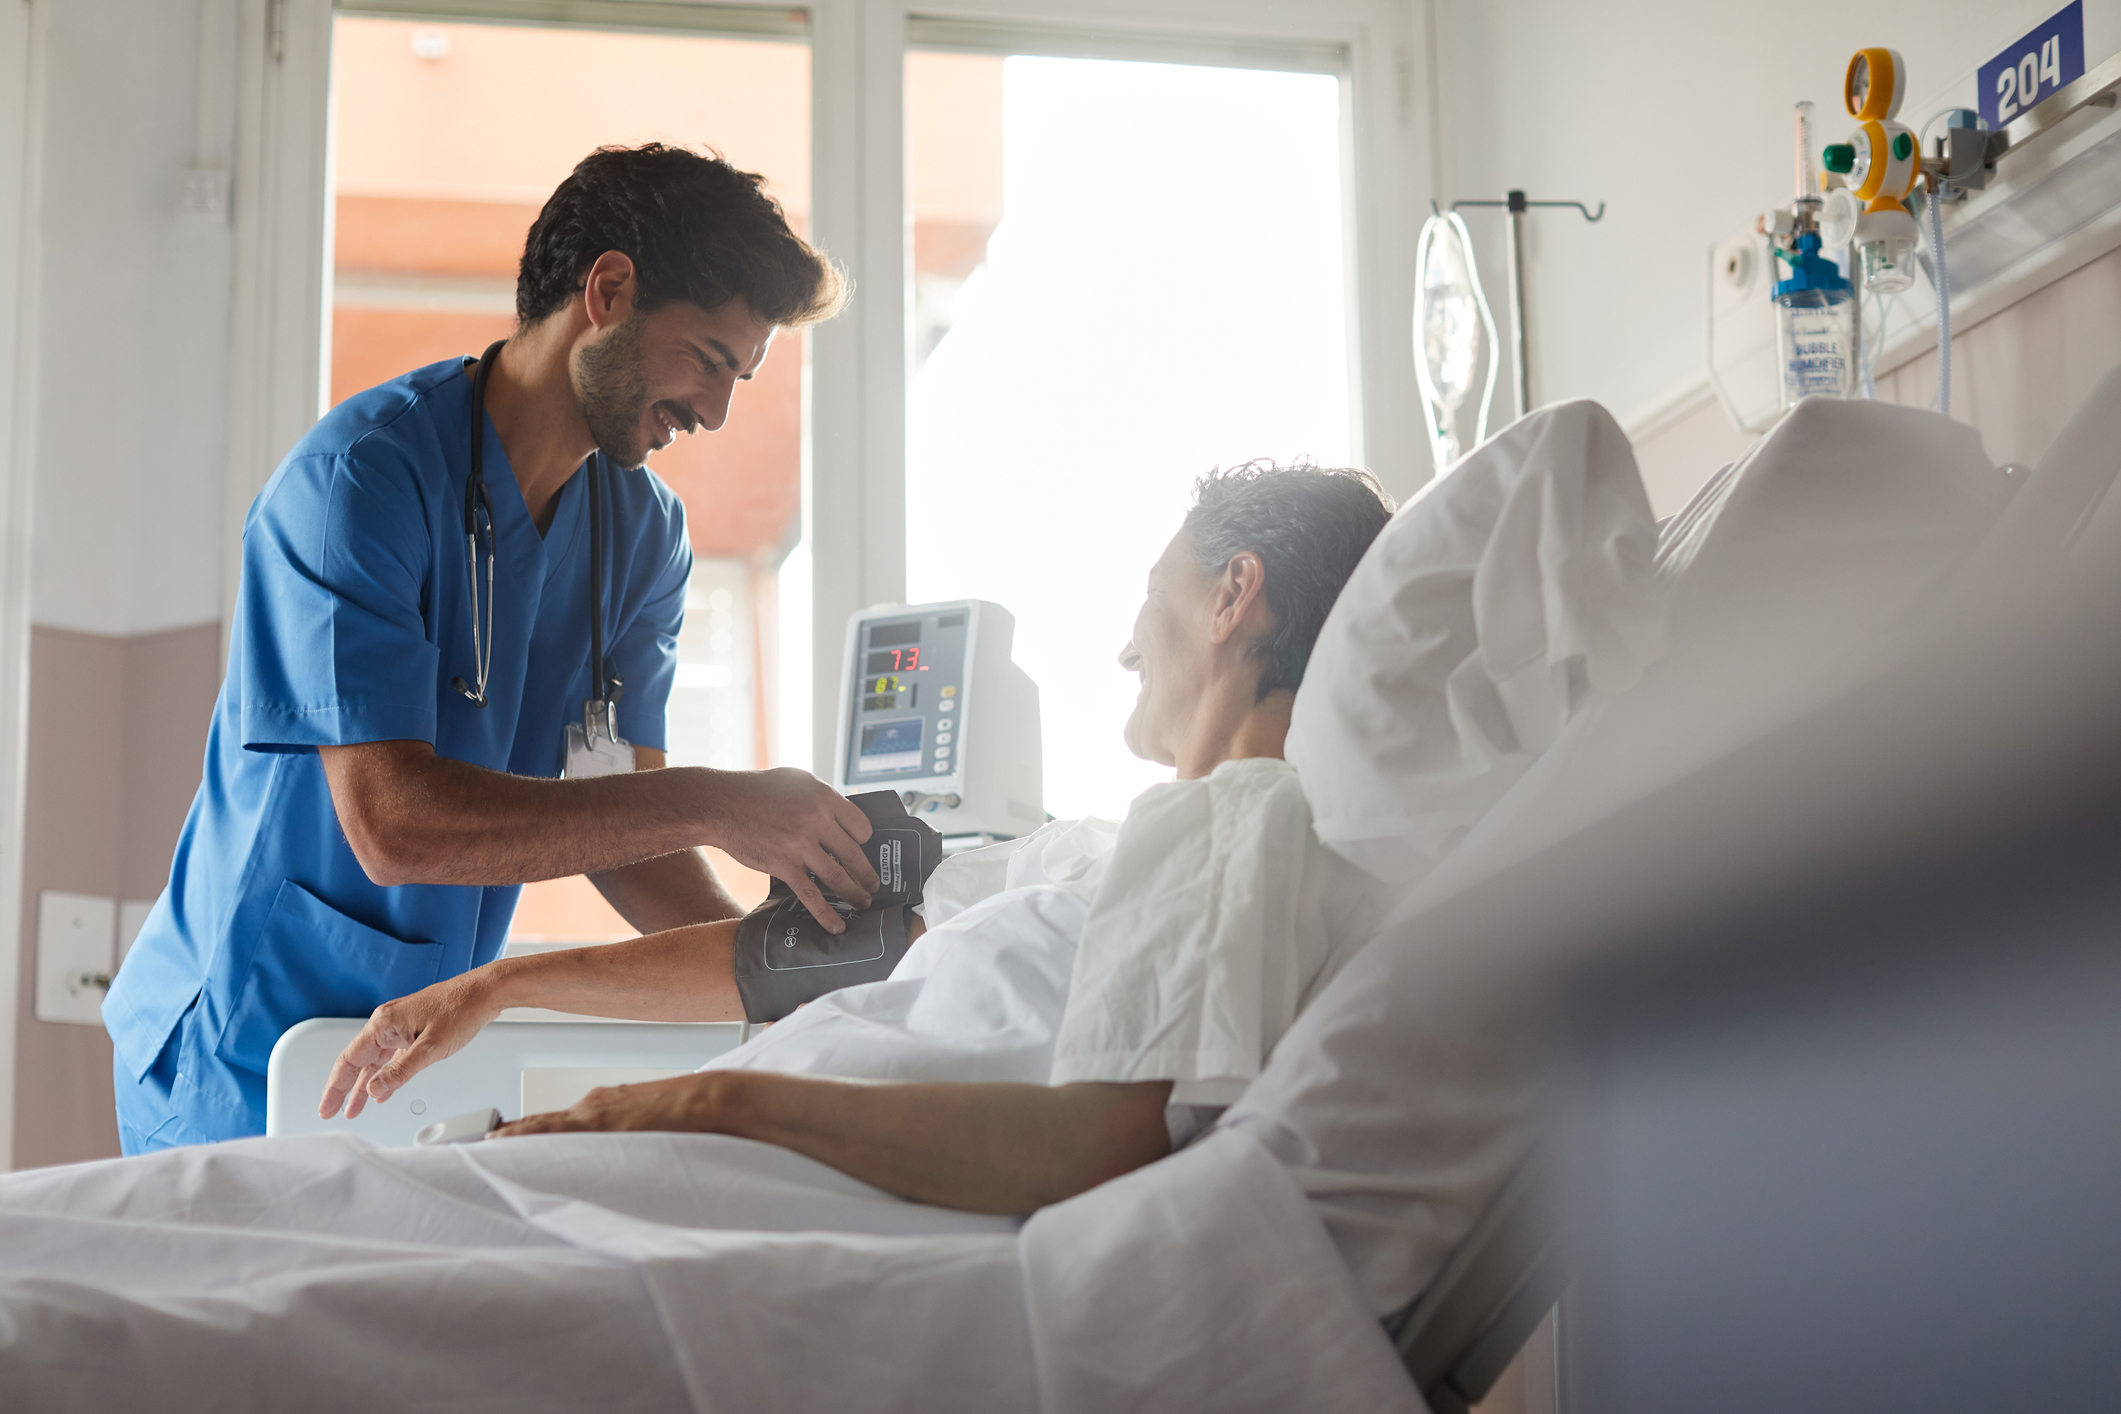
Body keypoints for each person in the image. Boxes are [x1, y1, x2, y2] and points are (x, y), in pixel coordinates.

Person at [316, 461, 1396, 1213]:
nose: (1125, 647)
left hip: (734, 1174)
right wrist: (502, 984)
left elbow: (1103, 1142)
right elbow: (796, 953)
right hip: (692, 1159)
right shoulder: (1100, 853)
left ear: (1234, 596)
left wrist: (703, 1101)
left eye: (1150, 597)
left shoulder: (1237, 818)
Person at [104, 145, 883, 1154]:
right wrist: (729, 801)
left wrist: (768, 970)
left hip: (412, 1052)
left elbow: (629, 830)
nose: (716, 411)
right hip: (240, 1044)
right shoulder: (358, 484)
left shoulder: (641, 539)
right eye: (708, 358)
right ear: (608, 292)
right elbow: (393, 824)